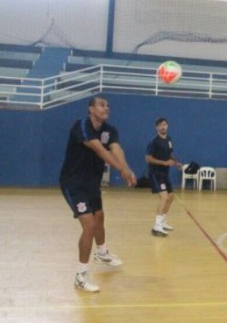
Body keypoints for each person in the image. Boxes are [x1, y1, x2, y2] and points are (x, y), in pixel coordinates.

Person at [59, 96, 137, 293]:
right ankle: (81, 276)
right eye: (102, 105)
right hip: (74, 183)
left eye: (108, 106)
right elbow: (100, 150)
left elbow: (116, 149)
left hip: (92, 183)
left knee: (100, 217)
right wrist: (122, 170)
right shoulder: (82, 125)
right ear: (91, 109)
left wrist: (126, 167)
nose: (106, 108)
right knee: (89, 226)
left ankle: (102, 253)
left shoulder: (110, 130)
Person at [146, 117, 182, 237]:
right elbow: (148, 158)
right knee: (164, 197)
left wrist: (176, 162)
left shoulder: (169, 140)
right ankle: (156, 226)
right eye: (161, 125)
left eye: (165, 125)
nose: (163, 127)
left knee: (171, 197)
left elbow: (170, 153)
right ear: (156, 127)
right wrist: (164, 163)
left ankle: (163, 221)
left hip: (165, 173)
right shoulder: (154, 142)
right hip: (156, 173)